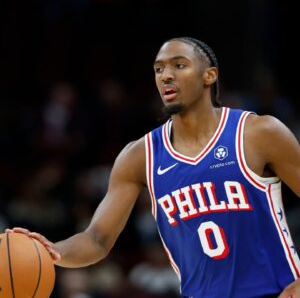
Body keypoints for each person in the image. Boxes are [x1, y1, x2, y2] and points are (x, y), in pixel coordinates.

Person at [7, 37, 300, 297]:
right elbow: (97, 239)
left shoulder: (258, 133)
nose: (166, 76)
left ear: (209, 75)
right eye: (159, 69)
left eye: (179, 65)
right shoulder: (139, 156)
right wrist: (50, 251)